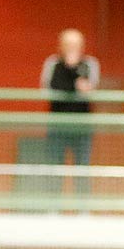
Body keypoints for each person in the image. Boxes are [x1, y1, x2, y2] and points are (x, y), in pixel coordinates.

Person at [40, 28, 99, 194]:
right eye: (68, 44)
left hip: (82, 126)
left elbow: (89, 90)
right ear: (61, 45)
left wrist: (73, 73)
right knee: (54, 166)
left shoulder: (90, 64)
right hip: (57, 124)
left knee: (82, 168)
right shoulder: (53, 64)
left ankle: (82, 208)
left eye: (75, 44)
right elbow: (49, 89)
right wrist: (74, 83)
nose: (72, 48)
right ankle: (53, 207)